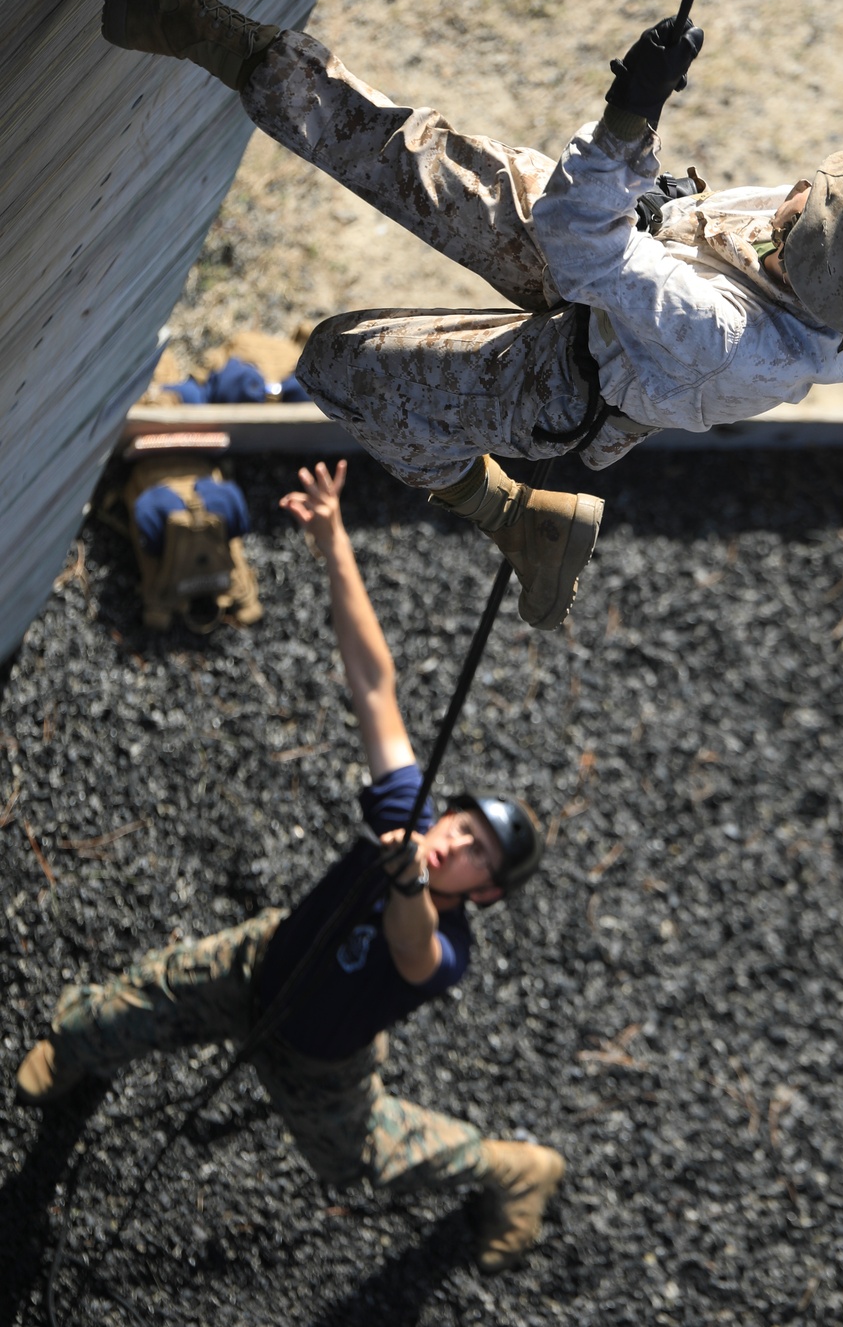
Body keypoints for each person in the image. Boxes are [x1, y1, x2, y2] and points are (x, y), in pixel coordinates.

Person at [100, 0, 843, 629]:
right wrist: (655, 187)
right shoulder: (835, 265)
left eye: (806, 204)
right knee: (400, 150)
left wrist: (628, 116)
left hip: (574, 377)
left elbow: (582, 243)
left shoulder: (733, 338)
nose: (798, 186)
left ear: (800, 253)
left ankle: (510, 512)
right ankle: (177, 16)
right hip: (633, 272)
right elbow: (634, 241)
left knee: (342, 367)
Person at [15, 459, 563, 1275]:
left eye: (475, 853)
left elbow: (410, 947)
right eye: (462, 823)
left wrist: (410, 879)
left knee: (359, 1164)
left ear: (479, 890)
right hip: (256, 965)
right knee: (118, 1008)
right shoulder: (405, 816)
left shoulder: (446, 949)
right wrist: (334, 541)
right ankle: (80, 1049)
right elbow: (374, 684)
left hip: (321, 1060)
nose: (454, 840)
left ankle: (515, 1167)